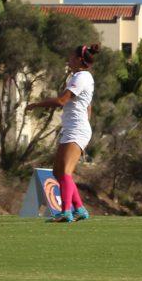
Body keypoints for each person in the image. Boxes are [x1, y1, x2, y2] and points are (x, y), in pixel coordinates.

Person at [25, 44, 99, 223]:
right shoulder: (79, 77)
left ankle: (65, 212)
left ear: (79, 60)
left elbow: (61, 101)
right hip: (73, 128)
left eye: (71, 57)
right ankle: (79, 209)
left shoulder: (81, 77)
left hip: (76, 129)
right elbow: (88, 106)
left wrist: (36, 104)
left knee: (65, 171)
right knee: (58, 172)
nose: (68, 60)